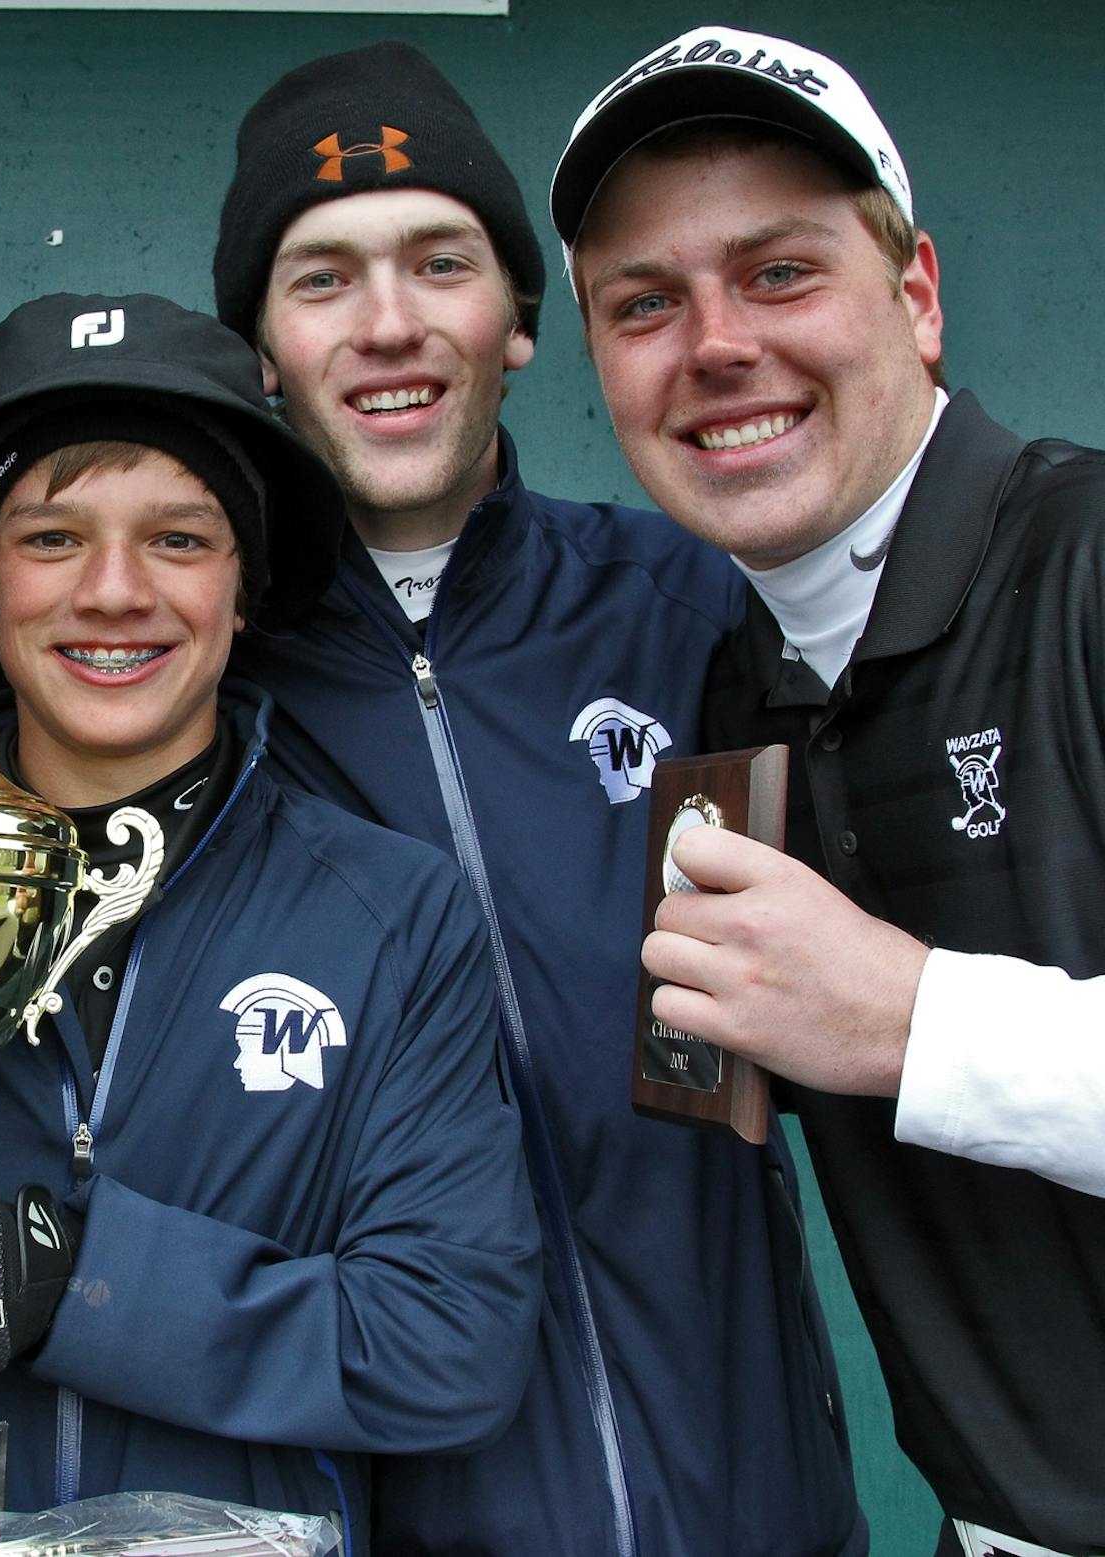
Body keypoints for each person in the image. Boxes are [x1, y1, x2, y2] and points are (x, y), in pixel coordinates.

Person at [0, 291, 543, 1557]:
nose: (116, 592)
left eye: (181, 539)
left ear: (245, 588)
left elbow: (450, 1345)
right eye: (54, 538)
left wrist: (70, 1278)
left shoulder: (389, 914)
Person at [213, 42, 863, 1555]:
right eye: (321, 280)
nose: (389, 326)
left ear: (517, 319)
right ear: (259, 347)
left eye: (440, 263)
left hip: (752, 1498)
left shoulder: (691, 606)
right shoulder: (206, 685)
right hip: (405, 1499)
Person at [556, 25, 1105, 1554]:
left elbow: (885, 1023)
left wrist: (914, 1020)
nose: (716, 344)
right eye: (645, 304)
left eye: (780, 272)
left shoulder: (1087, 565)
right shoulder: (723, 698)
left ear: (916, 298)